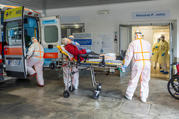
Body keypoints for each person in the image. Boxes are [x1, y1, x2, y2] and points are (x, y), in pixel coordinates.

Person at [123, 31, 152, 103]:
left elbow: (128, 56)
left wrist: (125, 65)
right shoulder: (148, 43)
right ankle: (144, 97)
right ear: (142, 36)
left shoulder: (133, 43)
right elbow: (150, 54)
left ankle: (129, 95)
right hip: (147, 63)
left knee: (134, 79)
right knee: (145, 80)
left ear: (135, 36)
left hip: (138, 63)